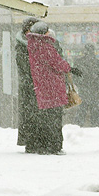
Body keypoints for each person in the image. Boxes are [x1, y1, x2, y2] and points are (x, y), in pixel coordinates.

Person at [26, 21, 82, 154]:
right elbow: (57, 63)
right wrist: (70, 68)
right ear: (43, 33)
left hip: (42, 87)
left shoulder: (33, 46)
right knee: (55, 118)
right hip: (52, 87)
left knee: (46, 117)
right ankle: (54, 146)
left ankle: (44, 145)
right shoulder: (45, 46)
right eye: (47, 31)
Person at [16, 17, 41, 152]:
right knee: (30, 114)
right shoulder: (22, 46)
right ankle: (31, 142)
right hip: (29, 87)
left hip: (36, 85)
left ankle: (36, 140)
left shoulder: (37, 44)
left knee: (36, 114)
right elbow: (26, 67)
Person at [73, 44, 99, 126]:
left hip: (84, 91)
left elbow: (75, 77)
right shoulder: (98, 62)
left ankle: (77, 129)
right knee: (95, 114)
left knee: (81, 112)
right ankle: (95, 129)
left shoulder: (79, 62)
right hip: (95, 92)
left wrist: (81, 85)